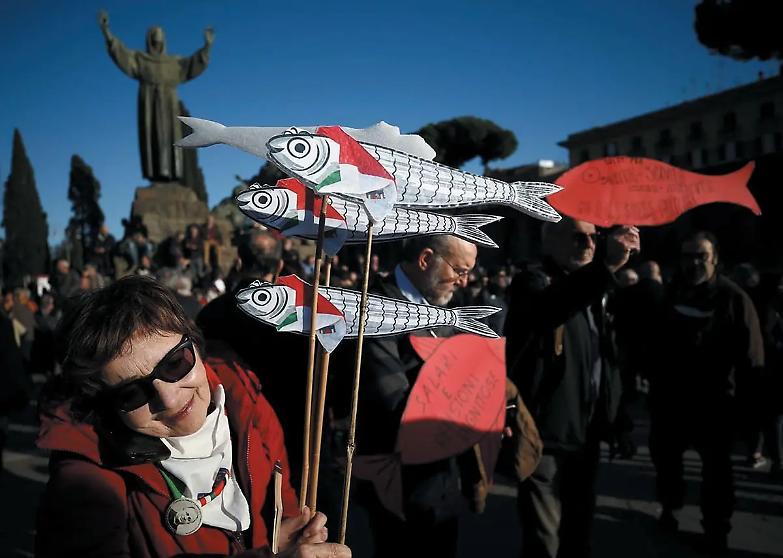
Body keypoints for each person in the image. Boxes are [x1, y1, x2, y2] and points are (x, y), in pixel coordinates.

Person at [35, 276, 351, 558]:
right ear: (106, 404)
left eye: (175, 363)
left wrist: (292, 539)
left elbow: (285, 504)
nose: (170, 399)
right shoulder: (87, 477)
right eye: (132, 394)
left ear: (195, 345)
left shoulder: (246, 403)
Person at [332, 235, 485, 558]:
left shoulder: (442, 305)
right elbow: (397, 404)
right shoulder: (376, 309)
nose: (465, 280)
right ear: (426, 259)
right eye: (459, 269)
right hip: (398, 486)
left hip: (442, 481)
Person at [505, 218, 640, 558]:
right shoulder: (533, 282)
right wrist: (604, 267)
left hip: (586, 434)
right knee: (544, 541)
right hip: (544, 437)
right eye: (579, 238)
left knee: (578, 537)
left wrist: (618, 419)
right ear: (548, 240)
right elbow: (551, 308)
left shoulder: (595, 291)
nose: (590, 245)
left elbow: (606, 363)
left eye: (595, 238)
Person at [648, 231, 764, 554]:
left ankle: (716, 527)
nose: (694, 262)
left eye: (701, 256)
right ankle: (669, 509)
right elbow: (652, 342)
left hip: (715, 405)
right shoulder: (670, 294)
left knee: (716, 471)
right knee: (667, 461)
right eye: (688, 256)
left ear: (715, 259)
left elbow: (752, 357)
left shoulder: (734, 298)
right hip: (671, 401)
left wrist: (748, 409)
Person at [98, 10, 213, 183]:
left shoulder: (173, 63)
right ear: (149, 42)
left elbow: (192, 64)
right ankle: (156, 176)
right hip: (149, 104)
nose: (157, 45)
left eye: (159, 41)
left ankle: (172, 174)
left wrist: (207, 47)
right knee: (151, 137)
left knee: (171, 137)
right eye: (154, 41)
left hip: (169, 104)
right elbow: (120, 53)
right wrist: (106, 32)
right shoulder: (140, 60)